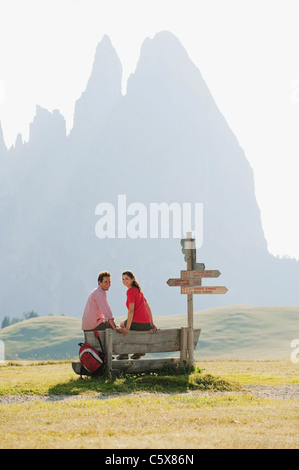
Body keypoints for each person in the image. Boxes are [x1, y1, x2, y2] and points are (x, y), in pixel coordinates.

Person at [118, 270, 159, 360]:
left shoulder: (130, 291)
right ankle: (138, 352)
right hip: (147, 324)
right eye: (123, 279)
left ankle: (124, 353)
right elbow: (148, 308)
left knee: (121, 325)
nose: (125, 281)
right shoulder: (139, 291)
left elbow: (131, 311)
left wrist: (127, 328)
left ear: (132, 279)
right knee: (127, 325)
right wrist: (151, 323)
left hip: (138, 323)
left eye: (127, 279)